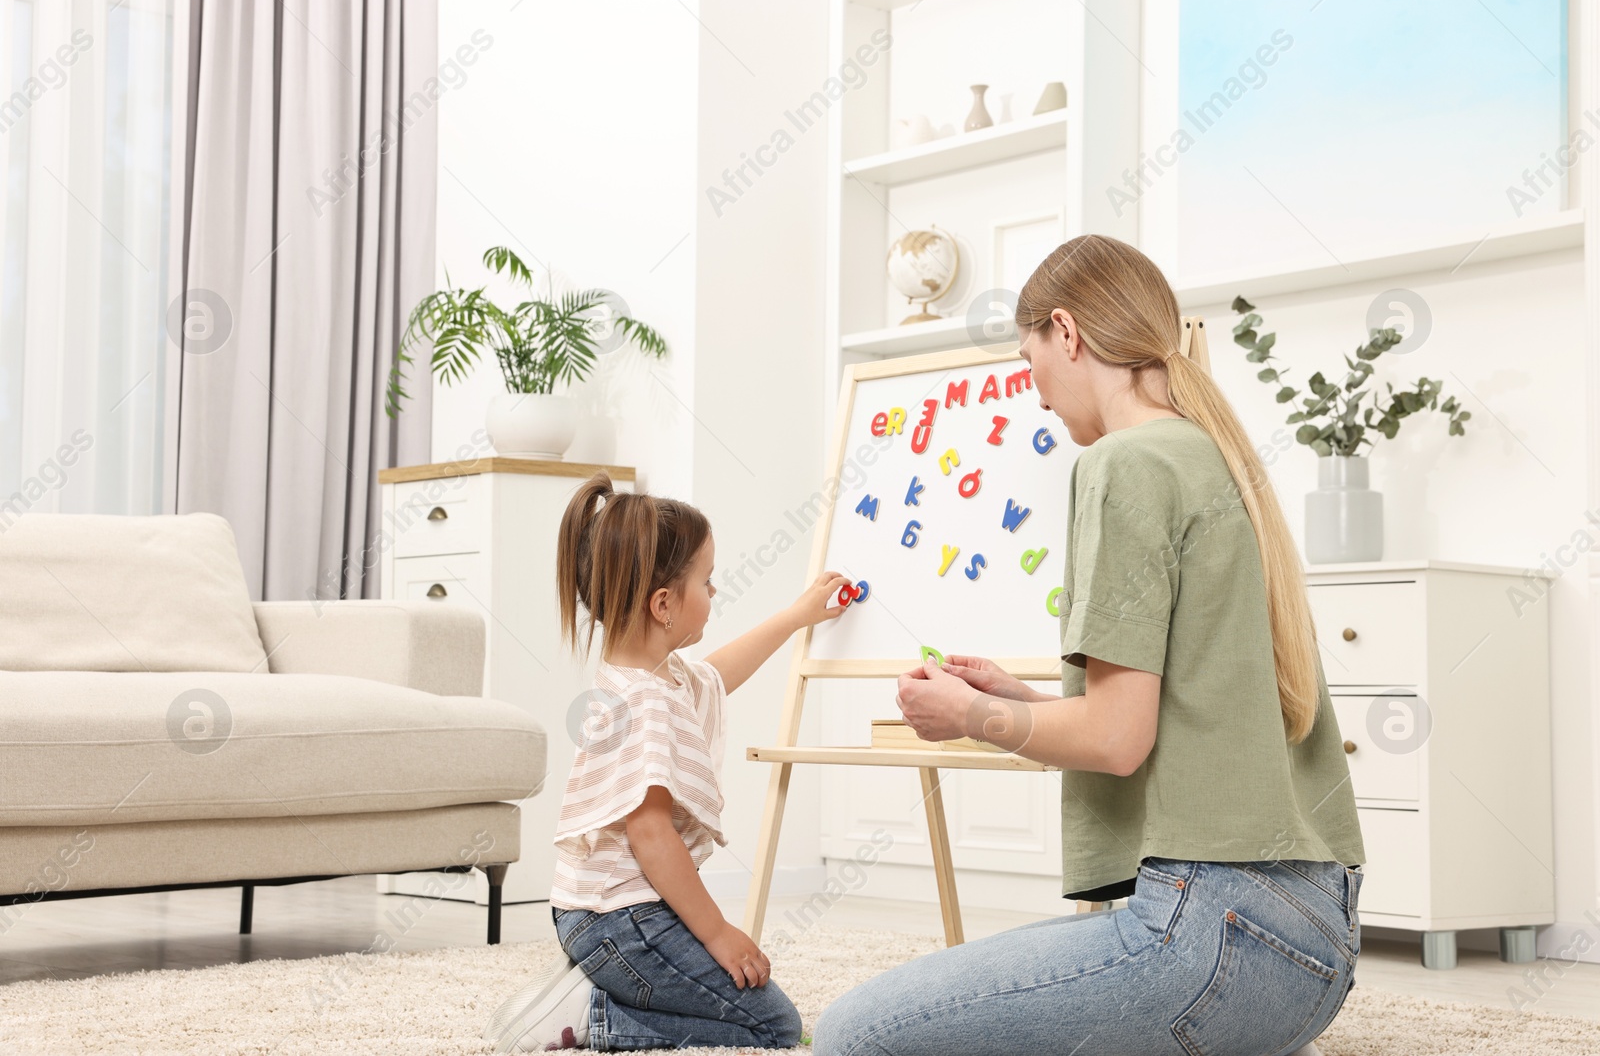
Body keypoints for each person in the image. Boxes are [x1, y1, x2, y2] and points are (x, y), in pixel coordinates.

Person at [811, 233, 1367, 1056]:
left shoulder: (1125, 463)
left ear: (1066, 333)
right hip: (1311, 952)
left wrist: (967, 713)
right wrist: (1027, 702)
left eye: (1030, 364)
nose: (1035, 397)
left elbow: (1115, 739)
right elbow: (1167, 720)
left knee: (857, 1032)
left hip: (1214, 937)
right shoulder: (1219, 455)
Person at [484, 471, 847, 1052]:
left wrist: (794, 616)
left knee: (759, 1016)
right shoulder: (646, 704)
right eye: (708, 581)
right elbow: (651, 834)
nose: (715, 593)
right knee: (774, 1026)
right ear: (664, 605)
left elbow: (718, 674)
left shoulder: (654, 678)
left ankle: (603, 993)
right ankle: (592, 1014)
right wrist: (720, 935)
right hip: (621, 923)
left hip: (600, 916)